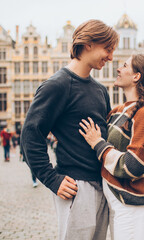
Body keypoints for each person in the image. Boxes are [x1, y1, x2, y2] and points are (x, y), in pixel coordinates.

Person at [21, 19, 118, 240]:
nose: (111, 57)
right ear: (89, 43)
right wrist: (52, 179)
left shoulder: (101, 90)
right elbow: (30, 136)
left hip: (102, 185)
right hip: (76, 187)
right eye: (108, 49)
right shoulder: (57, 85)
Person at [79, 53, 144, 240]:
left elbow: (135, 165)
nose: (118, 68)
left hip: (132, 202)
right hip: (116, 200)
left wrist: (98, 144)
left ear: (136, 76)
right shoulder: (118, 110)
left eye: (124, 66)